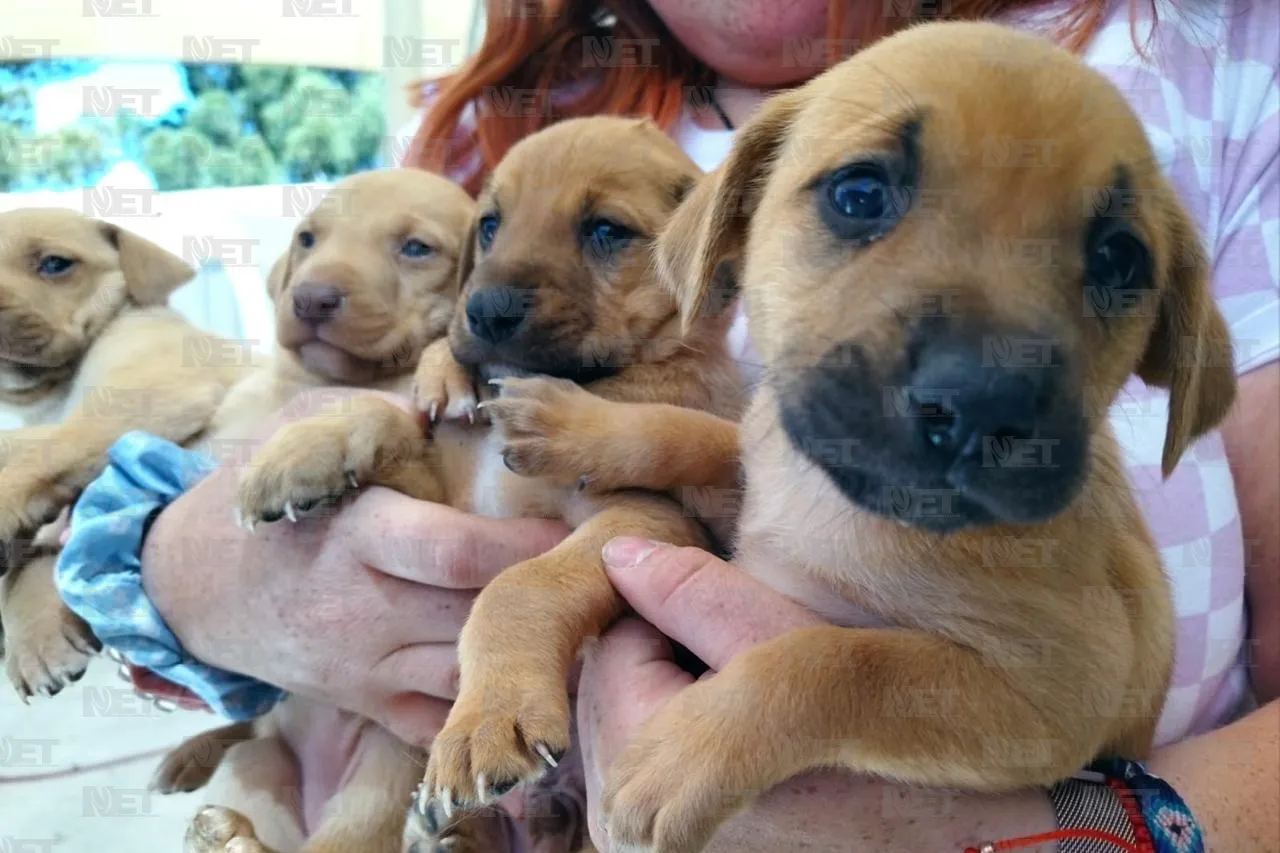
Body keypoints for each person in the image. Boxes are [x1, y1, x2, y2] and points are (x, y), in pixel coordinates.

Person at [122, 0, 1276, 850]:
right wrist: (182, 562)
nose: (980, 374)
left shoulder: (1209, 59)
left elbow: (1049, 689)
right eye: (863, 198)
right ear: (726, 244)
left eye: (1112, 262)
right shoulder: (487, 123)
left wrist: (1105, 829)